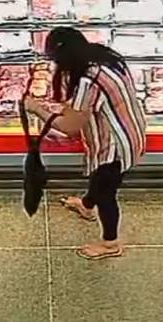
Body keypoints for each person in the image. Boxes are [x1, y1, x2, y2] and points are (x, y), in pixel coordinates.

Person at [24, 27, 146, 260]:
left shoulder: (87, 80)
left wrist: (36, 109)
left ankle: (111, 243)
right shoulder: (104, 57)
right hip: (129, 127)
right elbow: (81, 107)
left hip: (115, 145)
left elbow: (71, 127)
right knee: (99, 180)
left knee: (106, 192)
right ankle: (87, 206)